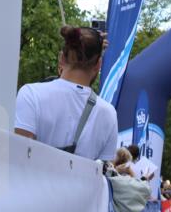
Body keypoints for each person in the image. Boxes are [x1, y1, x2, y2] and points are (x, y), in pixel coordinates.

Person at [14, 26, 118, 160]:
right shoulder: (109, 113)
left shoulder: (31, 94)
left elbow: (19, 156)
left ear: (62, 58)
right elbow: (104, 166)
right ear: (98, 65)